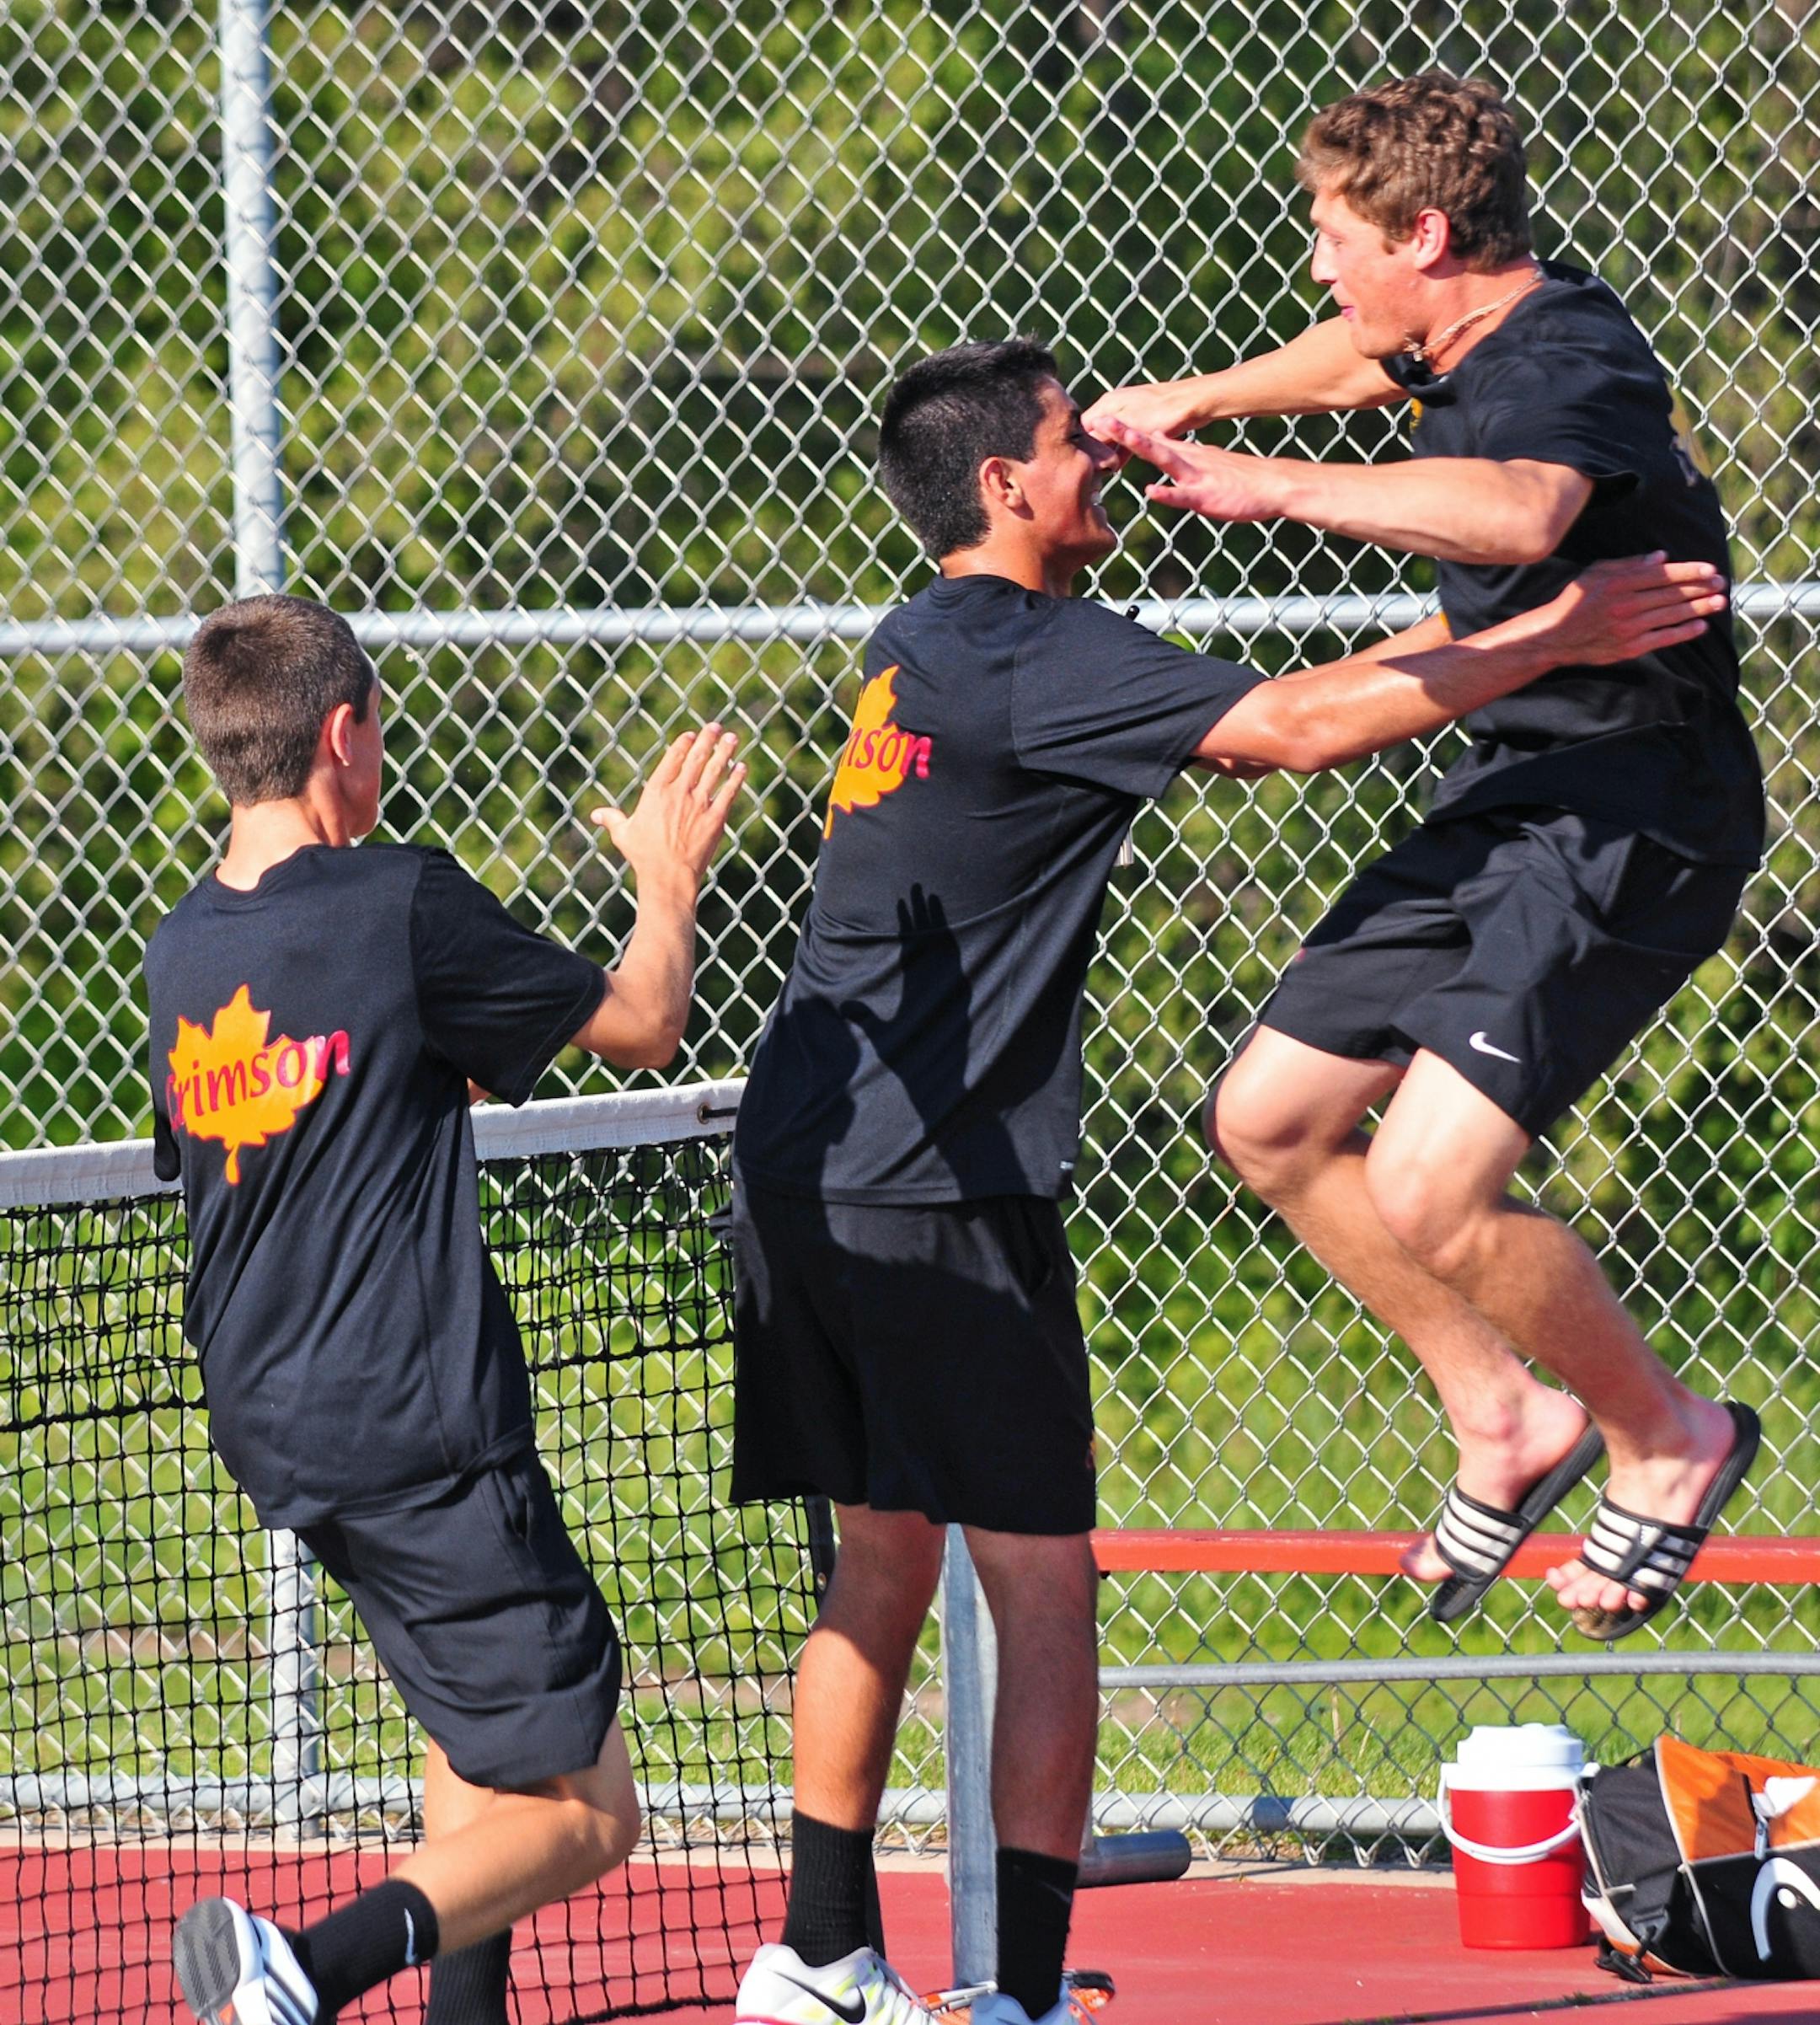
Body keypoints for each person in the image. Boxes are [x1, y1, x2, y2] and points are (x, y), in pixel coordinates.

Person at [724, 338, 1722, 2025]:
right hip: (935, 1185)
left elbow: (1310, 694)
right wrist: (1560, 634)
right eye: (1072, 440)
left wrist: (1517, 632)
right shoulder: (1033, 651)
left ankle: (816, 1956)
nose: (1099, 454)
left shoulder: (930, 641)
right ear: (1005, 487)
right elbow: (1284, 730)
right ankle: (1020, 1993)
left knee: (880, 1557)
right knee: (1042, 1579)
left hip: (806, 1156)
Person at [1083, 71, 1765, 1640]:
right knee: (1268, 1116)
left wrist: (1273, 489)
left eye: (1337, 236)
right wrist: (1202, 401)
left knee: (1432, 1177)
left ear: (1429, 234)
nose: (1320, 266)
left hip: (1633, 808)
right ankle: (1503, 1414)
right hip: (1515, 790)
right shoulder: (1446, 332)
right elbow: (1350, 356)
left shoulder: (1571, 357)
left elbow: (1522, 512)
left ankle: (1670, 1437)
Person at [145, 592, 742, 2025]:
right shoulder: (396, 898)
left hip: (278, 1427)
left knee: (473, 1729)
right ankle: (307, 1969)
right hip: (415, 1427)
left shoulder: (180, 950)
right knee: (594, 1814)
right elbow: (643, 1023)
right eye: (379, 732)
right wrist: (668, 885)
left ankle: (460, 2014)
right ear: (340, 735)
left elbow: (288, 1114)